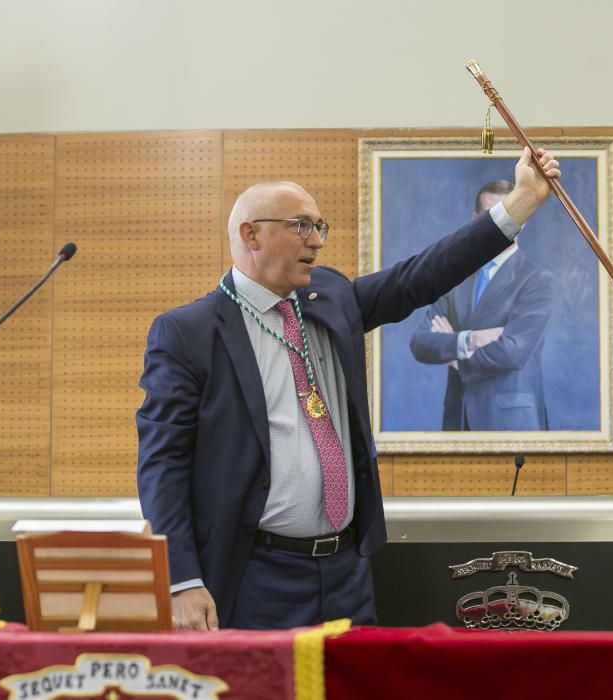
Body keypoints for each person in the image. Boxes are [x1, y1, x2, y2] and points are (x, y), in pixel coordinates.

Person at [136, 147, 560, 630]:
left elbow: (421, 276)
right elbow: (162, 464)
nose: (316, 241)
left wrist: (520, 203)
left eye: (320, 226)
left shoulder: (330, 298)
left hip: (346, 573)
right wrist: (181, 581)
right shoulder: (188, 333)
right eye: (300, 226)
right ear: (250, 234)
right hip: (253, 574)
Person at [409, 179, 554, 431]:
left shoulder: (537, 280)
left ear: (523, 220)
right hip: (457, 423)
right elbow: (420, 342)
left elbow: (511, 352)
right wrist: (470, 340)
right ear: (475, 220)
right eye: (490, 216)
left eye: (508, 214)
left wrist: (454, 357)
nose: (499, 224)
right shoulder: (454, 278)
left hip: (512, 426)